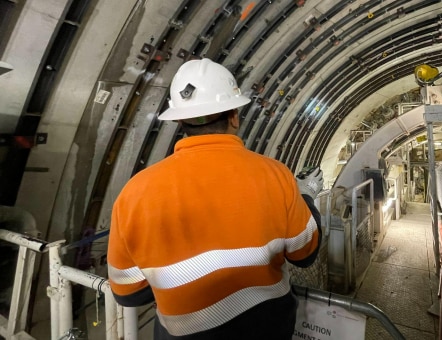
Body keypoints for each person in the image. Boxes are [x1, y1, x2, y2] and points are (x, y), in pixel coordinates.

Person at [107, 58, 323, 339]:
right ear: (234, 115)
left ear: (179, 120)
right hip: (266, 329)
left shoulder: (134, 193)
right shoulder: (275, 176)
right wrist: (306, 196)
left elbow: (127, 292)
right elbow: (304, 253)